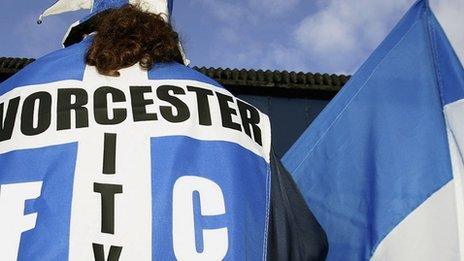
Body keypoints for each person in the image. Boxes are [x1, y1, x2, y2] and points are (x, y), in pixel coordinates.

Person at [0, 1, 327, 260]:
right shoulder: (243, 119)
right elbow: (305, 244)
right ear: (165, 32)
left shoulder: (9, 95)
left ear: (81, 29)